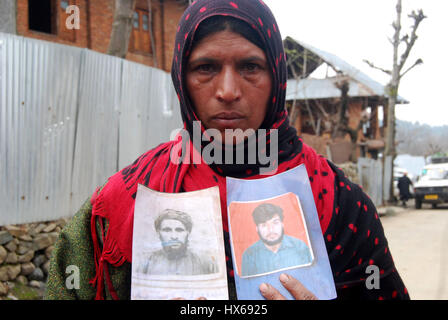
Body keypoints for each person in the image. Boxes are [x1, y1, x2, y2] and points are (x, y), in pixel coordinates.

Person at [45, 0, 410, 300]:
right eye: (205, 67)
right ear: (181, 80)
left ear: (277, 78)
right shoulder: (128, 199)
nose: (228, 90)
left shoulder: (338, 202)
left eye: (251, 66)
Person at [138, 209, 218, 275]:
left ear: (188, 232)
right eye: (167, 230)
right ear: (159, 233)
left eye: (179, 230)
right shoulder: (146, 263)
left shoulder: (206, 263)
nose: (174, 236)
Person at [241, 203, 312, 277]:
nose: (271, 229)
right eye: (264, 225)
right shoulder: (249, 255)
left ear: (282, 224)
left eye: (275, 223)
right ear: (257, 229)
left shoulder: (300, 247)